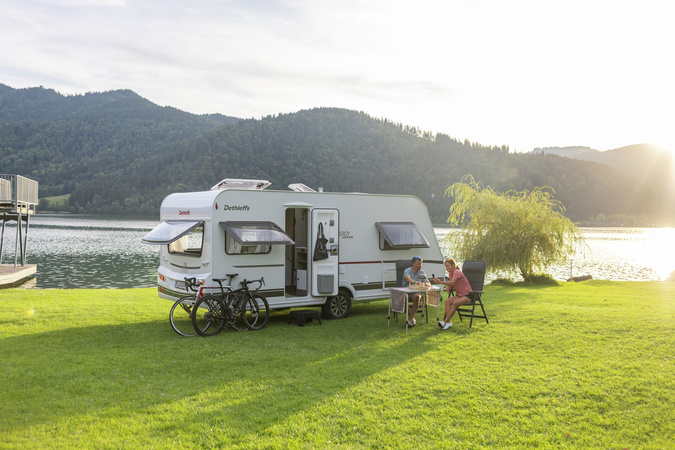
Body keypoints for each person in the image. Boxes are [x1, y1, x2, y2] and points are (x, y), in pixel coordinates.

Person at [433, 258, 472, 330]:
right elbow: (452, 284)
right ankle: (448, 323)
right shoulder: (450, 273)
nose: (446, 268)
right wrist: (448, 286)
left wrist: (440, 282)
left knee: (455, 303)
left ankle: (444, 322)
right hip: (459, 295)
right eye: (445, 266)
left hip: (468, 295)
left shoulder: (457, 272)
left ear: (453, 265)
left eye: (448, 266)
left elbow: (452, 283)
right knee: (447, 302)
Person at [402, 255, 430, 327]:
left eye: (421, 264)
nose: (420, 266)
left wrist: (427, 284)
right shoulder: (407, 270)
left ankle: (409, 320)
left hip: (415, 292)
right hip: (406, 291)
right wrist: (415, 282)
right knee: (404, 297)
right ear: (413, 264)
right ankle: (411, 319)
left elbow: (427, 282)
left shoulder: (422, 272)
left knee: (417, 297)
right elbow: (407, 279)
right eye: (418, 264)